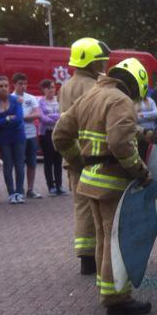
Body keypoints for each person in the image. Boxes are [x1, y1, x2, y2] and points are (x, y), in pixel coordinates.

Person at [54, 58, 153, 315]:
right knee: (116, 240)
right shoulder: (121, 100)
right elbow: (120, 143)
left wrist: (77, 160)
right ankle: (117, 298)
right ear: (133, 84)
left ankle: (105, 286)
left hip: (90, 180)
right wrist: (141, 172)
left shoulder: (92, 94)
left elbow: (60, 134)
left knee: (103, 238)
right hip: (112, 183)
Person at [59, 37, 110, 275]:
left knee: (81, 206)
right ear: (90, 62)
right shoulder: (92, 87)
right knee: (94, 208)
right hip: (91, 155)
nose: (103, 66)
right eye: (100, 61)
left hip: (72, 155)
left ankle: (85, 257)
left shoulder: (67, 85)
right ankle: (93, 258)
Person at [0, 76, 26, 204]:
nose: (4, 88)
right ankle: (11, 193)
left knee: (19, 165)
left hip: (18, 137)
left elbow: (18, 119)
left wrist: (2, 121)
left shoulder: (16, 100)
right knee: (7, 165)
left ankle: (19, 192)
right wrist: (7, 119)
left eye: (6, 86)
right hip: (4, 139)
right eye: (1, 86)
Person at [13, 73, 42, 200]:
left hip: (31, 135)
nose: (23, 86)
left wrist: (22, 117)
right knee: (19, 164)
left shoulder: (31, 98)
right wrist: (25, 117)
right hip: (18, 136)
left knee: (32, 163)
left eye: (25, 83)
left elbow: (37, 114)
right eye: (20, 84)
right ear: (14, 84)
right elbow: (11, 117)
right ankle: (19, 190)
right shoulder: (11, 98)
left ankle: (30, 190)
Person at [38, 79, 64, 195]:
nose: (52, 90)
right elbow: (42, 118)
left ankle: (59, 185)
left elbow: (63, 114)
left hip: (58, 132)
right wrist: (56, 118)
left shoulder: (59, 100)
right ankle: (51, 186)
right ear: (44, 90)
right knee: (48, 160)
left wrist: (52, 116)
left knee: (58, 160)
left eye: (53, 87)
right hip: (46, 134)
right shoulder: (40, 102)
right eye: (49, 88)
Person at [135, 89, 157, 160]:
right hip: (140, 134)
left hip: (151, 132)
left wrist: (142, 115)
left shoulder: (150, 101)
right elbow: (134, 118)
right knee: (141, 155)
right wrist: (149, 116)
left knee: (151, 155)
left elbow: (156, 114)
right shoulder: (133, 102)